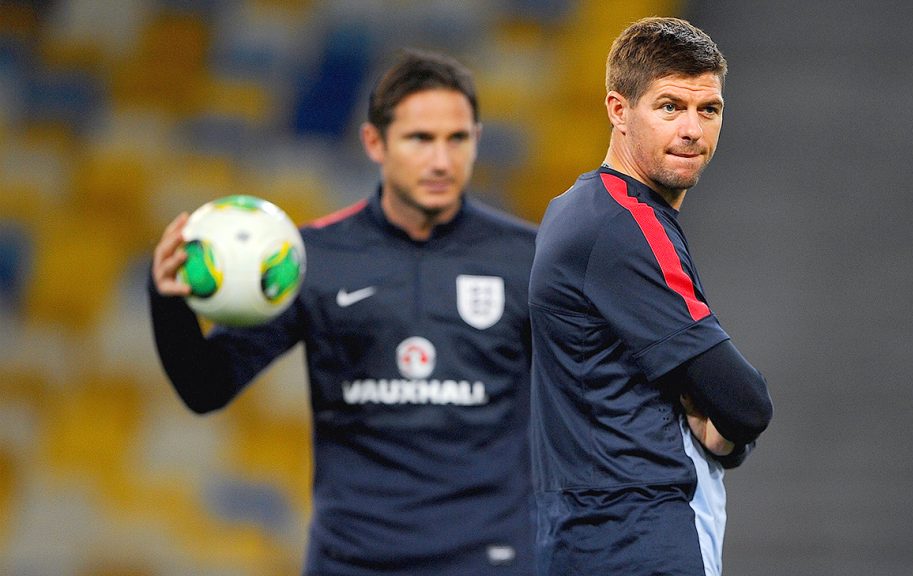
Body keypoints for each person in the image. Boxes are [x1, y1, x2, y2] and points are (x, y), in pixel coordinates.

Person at [149, 49, 537, 575]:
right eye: (420, 139)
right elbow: (205, 386)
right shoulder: (309, 258)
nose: (442, 161)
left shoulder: (532, 259)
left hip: (490, 559)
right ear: (374, 143)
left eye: (458, 139)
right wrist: (168, 301)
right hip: (353, 560)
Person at [528, 17, 774, 576]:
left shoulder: (574, 209)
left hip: (581, 534)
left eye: (708, 109)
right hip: (636, 535)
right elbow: (745, 402)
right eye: (669, 107)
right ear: (618, 109)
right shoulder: (627, 224)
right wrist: (722, 430)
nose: (692, 129)